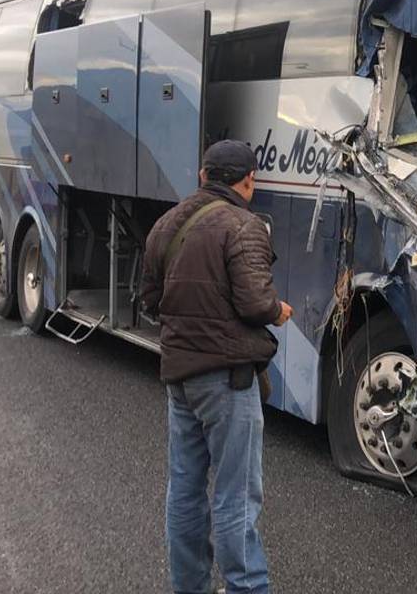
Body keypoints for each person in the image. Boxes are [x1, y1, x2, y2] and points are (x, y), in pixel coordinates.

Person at [140, 139, 293, 594]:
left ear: (204, 176)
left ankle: (189, 586)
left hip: (179, 376)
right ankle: (247, 587)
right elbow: (254, 302)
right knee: (236, 495)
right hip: (228, 379)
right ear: (248, 181)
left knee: (185, 489)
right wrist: (278, 310)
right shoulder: (244, 226)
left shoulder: (166, 224)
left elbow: (150, 300)